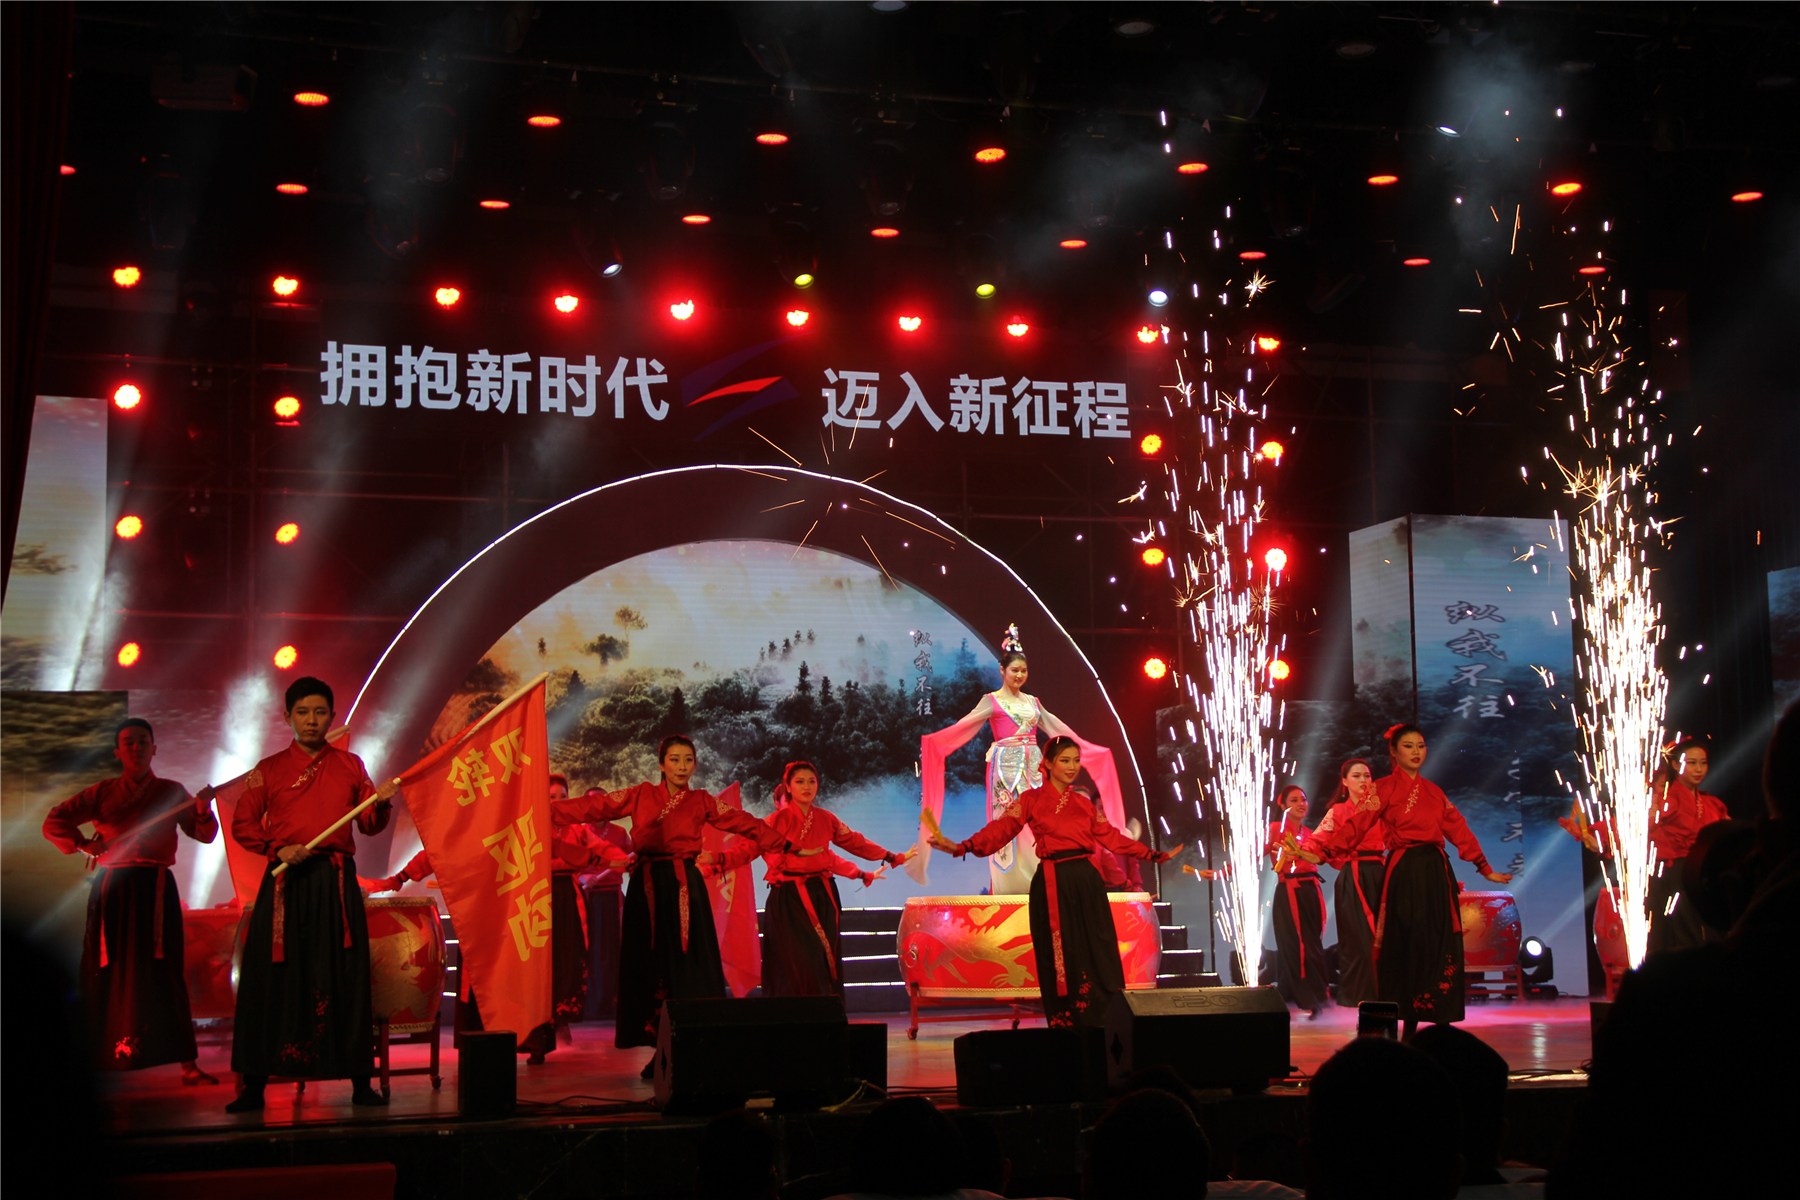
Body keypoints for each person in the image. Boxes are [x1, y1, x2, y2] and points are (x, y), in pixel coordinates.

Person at [550, 734, 786, 1076]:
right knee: (650, 966)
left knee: (686, 968)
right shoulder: (640, 794)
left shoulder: (701, 800)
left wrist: (780, 841)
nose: (681, 767)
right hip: (647, 888)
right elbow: (593, 808)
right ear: (661, 764)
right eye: (674, 760)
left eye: (688, 760)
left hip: (684, 886)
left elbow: (740, 821)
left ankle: (691, 1048)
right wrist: (545, 810)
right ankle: (660, 1051)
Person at [226, 676, 399, 1113]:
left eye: (320, 712)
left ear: (332, 717)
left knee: (344, 974)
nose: (311, 720)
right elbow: (243, 824)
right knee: (272, 977)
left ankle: (360, 1082)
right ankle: (254, 1086)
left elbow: (369, 824)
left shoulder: (351, 766)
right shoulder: (267, 769)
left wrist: (381, 802)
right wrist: (277, 847)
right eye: (302, 712)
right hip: (285, 882)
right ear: (287, 716)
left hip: (334, 883)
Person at [929, 736, 1174, 1027]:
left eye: (1076, 761)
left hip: (1086, 883)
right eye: (1065, 760)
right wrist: (963, 847)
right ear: (1047, 763)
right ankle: (1066, 1018)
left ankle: (1105, 1017)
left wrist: (1151, 854)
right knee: (1060, 951)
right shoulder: (1030, 800)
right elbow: (1001, 829)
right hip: (1052, 882)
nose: (1072, 767)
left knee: (1098, 945)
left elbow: (1112, 838)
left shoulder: (1083, 804)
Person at [1287, 724, 1511, 1036]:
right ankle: (1406, 1018)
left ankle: (1439, 1015)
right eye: (1408, 746)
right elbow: (1357, 825)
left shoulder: (1434, 792)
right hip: (1404, 869)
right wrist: (1324, 853)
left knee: (1438, 939)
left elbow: (1458, 828)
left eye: (1420, 745)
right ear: (1394, 752)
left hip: (1435, 869)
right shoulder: (1382, 789)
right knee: (1404, 941)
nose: (1416, 752)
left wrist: (1483, 867)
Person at [41, 717, 221, 1084]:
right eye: (129, 742)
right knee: (108, 968)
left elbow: (203, 834)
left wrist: (202, 809)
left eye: (143, 741)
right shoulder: (102, 792)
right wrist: (83, 844)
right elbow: (54, 822)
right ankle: (98, 1059)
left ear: (154, 749)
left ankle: (187, 1065)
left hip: (155, 887)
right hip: (113, 889)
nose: (136, 748)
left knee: (163, 970)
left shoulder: (172, 791)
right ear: (117, 752)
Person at [916, 624, 1127, 895]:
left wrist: (1086, 749)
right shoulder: (991, 701)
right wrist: (937, 743)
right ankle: (1008, 888)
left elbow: (1057, 728)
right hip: (1004, 771)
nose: (1019, 675)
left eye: (1023, 671)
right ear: (1002, 671)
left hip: (1032, 770)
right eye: (1014, 670)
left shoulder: (1033, 703)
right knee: (1006, 827)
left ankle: (1040, 881)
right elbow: (963, 726)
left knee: (1038, 823)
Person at [713, 761, 911, 997]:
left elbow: (855, 842)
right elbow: (746, 850)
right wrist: (715, 861)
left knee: (821, 957)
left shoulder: (826, 819)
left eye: (811, 781)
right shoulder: (775, 822)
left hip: (822, 894)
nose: (806, 787)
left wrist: (890, 856)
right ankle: (795, 1012)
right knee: (795, 959)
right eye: (800, 782)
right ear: (788, 787)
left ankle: (824, 1009)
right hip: (789, 899)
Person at [1644, 737, 1730, 955]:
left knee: (1714, 930)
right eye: (1691, 763)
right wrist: (1598, 836)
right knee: (1686, 933)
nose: (1699, 769)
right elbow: (1640, 825)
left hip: (1705, 873)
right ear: (1675, 764)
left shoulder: (1711, 803)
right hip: (1678, 876)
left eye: (1703, 763)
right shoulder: (1667, 799)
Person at [1313, 758, 1383, 1008]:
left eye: (1367, 775)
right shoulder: (1338, 812)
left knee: (1385, 936)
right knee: (1358, 940)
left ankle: (1386, 991)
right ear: (1344, 781)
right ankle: (1359, 995)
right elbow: (1317, 841)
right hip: (1353, 876)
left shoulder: (1380, 807)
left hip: (1381, 874)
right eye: (1356, 776)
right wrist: (1299, 852)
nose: (1363, 780)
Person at [1267, 785, 1329, 1019]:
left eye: (1303, 799)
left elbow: (1324, 856)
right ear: (1282, 805)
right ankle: (1310, 998)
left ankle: (1316, 996)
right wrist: (1222, 872)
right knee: (1298, 946)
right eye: (1294, 800)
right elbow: (1252, 852)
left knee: (1312, 944)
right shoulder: (1275, 829)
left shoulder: (1310, 832)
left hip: (1311, 890)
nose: (1301, 804)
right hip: (1290, 891)